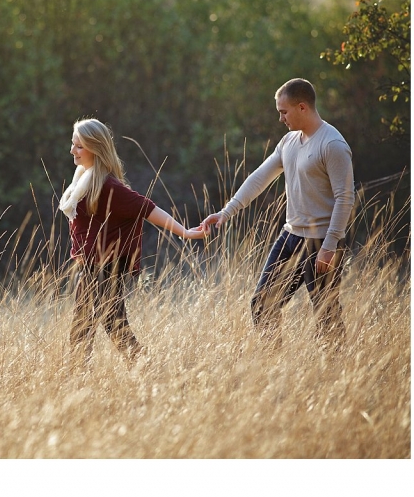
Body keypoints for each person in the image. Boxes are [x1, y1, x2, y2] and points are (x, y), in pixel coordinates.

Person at [200, 78, 355, 350]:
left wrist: (330, 245)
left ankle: (337, 374)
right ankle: (274, 368)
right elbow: (259, 178)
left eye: (284, 112)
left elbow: (345, 198)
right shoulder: (288, 142)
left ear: (302, 107)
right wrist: (227, 211)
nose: (280, 118)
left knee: (326, 316)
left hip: (322, 242)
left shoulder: (332, 145)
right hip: (290, 237)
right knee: (262, 304)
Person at [58, 117, 208, 367]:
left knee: (91, 324)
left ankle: (81, 373)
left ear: (96, 148)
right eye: (73, 144)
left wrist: (185, 232)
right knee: (109, 323)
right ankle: (141, 367)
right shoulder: (83, 180)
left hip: (107, 266)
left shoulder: (108, 185)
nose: (72, 150)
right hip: (91, 265)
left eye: (79, 146)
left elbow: (147, 208)